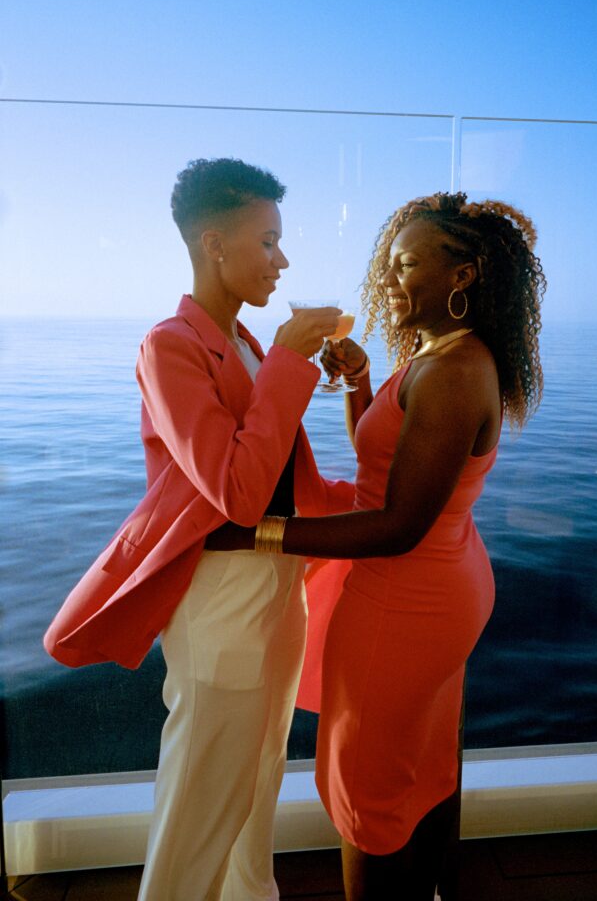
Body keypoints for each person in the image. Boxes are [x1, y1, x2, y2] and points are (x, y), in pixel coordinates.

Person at [210, 191, 546, 901]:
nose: (389, 281)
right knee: (419, 769)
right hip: (442, 579)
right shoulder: (437, 351)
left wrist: (255, 534)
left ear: (462, 277)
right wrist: (360, 385)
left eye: (405, 265)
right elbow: (386, 463)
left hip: (407, 599)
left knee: (365, 791)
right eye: (389, 266)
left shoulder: (454, 373)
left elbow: (396, 525)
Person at [43, 157, 354, 901]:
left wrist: (357, 384)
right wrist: (289, 358)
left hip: (277, 586)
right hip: (221, 596)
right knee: (201, 800)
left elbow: (289, 482)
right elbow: (240, 493)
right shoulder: (169, 347)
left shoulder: (248, 345)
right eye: (269, 242)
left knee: (256, 783)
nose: (283, 261)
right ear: (215, 245)